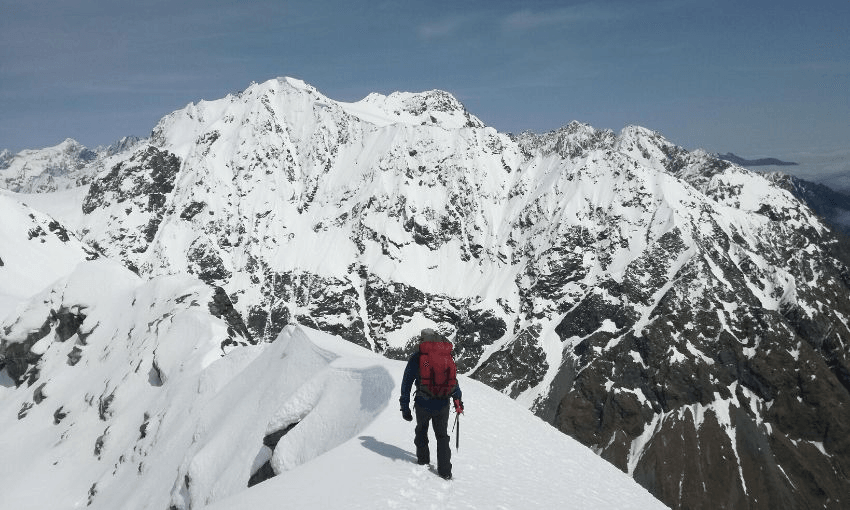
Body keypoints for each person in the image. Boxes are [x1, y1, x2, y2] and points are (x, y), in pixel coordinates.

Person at [399, 328, 463, 480]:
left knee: (421, 430)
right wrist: (458, 402)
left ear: (423, 340)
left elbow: (406, 383)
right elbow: (453, 381)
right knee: (442, 436)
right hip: (443, 403)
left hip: (423, 402)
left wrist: (404, 406)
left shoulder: (417, 357)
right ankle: (445, 471)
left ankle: (423, 460)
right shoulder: (447, 357)